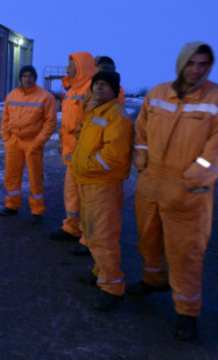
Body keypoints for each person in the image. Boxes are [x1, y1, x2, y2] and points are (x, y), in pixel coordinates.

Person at [131, 42, 218, 342]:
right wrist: (141, 157)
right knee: (148, 238)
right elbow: (141, 128)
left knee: (186, 254)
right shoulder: (157, 93)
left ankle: (187, 312)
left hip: (189, 190)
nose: (196, 69)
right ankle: (153, 280)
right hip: (151, 182)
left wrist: (194, 177)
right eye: (191, 63)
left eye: (203, 64)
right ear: (181, 63)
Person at [72, 70, 134, 311]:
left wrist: (87, 165)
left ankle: (113, 287)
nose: (99, 88)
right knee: (92, 232)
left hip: (103, 184)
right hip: (90, 182)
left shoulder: (116, 115)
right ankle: (100, 272)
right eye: (96, 83)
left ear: (114, 90)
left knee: (103, 236)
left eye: (105, 85)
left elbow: (113, 155)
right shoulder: (97, 111)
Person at [50, 52, 97, 246]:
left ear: (82, 66)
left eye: (71, 65)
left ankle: (88, 238)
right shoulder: (70, 90)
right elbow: (67, 120)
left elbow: (93, 122)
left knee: (87, 197)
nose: (67, 68)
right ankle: (71, 228)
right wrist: (62, 139)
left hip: (85, 153)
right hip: (71, 153)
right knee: (71, 194)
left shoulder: (91, 89)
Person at [0, 65, 57, 223]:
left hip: (33, 142)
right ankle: (12, 205)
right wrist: (7, 138)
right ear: (20, 78)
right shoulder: (12, 95)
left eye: (30, 76)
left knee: (35, 177)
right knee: (11, 175)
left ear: (35, 78)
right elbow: (5, 118)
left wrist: (38, 141)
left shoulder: (45, 97)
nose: (27, 79)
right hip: (14, 142)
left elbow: (50, 123)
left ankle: (37, 210)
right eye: (24, 76)